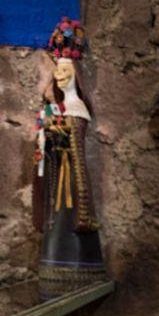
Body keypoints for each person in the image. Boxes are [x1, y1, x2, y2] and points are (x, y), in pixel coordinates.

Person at [32, 18, 105, 296]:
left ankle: (81, 267)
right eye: (57, 72)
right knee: (56, 219)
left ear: (74, 73)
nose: (60, 77)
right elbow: (44, 141)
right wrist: (43, 134)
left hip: (72, 179)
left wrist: (56, 129)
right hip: (57, 175)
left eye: (65, 71)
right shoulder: (54, 108)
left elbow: (74, 134)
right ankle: (53, 269)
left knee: (71, 217)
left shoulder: (77, 107)